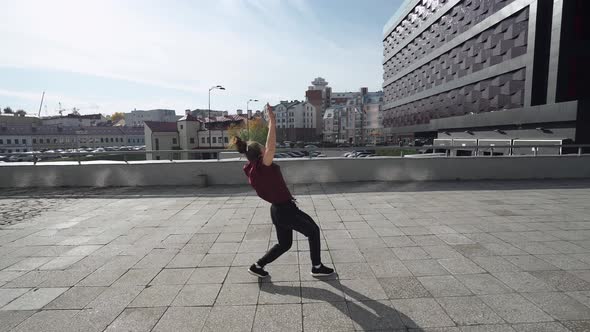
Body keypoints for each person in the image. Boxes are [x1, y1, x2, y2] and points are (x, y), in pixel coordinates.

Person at [232, 103, 334, 278]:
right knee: (313, 232)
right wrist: (272, 121)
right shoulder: (263, 166)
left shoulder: (251, 167)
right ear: (260, 153)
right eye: (263, 148)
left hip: (278, 209)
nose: (266, 149)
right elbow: (271, 146)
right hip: (284, 210)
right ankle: (316, 267)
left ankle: (258, 266)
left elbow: (267, 148)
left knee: (285, 244)